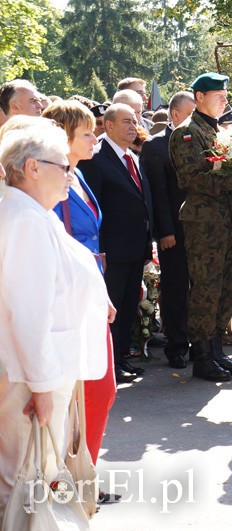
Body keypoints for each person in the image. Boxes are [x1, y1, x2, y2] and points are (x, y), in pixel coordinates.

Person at [0, 122, 111, 518]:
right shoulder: (24, 219)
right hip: (32, 376)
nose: (70, 175)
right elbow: (29, 313)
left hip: (44, 369)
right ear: (32, 168)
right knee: (25, 482)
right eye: (62, 167)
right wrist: (43, 388)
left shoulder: (31, 211)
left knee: (37, 479)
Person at [169, 73, 232, 382]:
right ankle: (202, 354)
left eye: (225, 94)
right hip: (203, 222)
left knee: (227, 287)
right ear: (199, 97)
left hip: (225, 217)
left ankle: (218, 349)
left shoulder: (217, 130)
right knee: (206, 289)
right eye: (218, 95)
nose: (225, 99)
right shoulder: (188, 133)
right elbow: (192, 178)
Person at [42, 101, 117, 467]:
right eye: (87, 133)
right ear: (63, 136)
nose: (95, 137)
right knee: (89, 392)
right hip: (71, 298)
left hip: (90, 291)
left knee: (98, 392)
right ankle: (75, 476)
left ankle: (84, 472)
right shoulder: (53, 183)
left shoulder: (79, 174)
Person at [78, 103, 154, 384]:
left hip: (134, 247)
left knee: (126, 304)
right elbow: (94, 207)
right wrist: (101, 251)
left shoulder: (131, 156)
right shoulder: (95, 157)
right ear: (108, 126)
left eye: (134, 121)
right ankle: (110, 364)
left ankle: (121, 357)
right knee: (111, 308)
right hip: (112, 250)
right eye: (126, 122)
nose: (133, 127)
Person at [139, 91, 196, 369]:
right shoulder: (155, 146)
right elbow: (158, 193)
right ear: (175, 115)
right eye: (190, 112)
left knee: (200, 289)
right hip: (174, 230)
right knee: (175, 290)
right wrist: (166, 231)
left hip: (202, 230)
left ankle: (201, 345)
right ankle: (176, 346)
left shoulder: (204, 139)